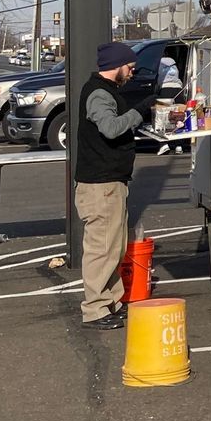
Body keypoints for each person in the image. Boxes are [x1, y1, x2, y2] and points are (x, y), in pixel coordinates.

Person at [75, 42, 146, 330]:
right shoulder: (98, 94)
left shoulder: (106, 92)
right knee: (102, 249)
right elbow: (111, 128)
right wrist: (140, 112)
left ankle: (110, 303)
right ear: (117, 65)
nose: (131, 73)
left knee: (114, 248)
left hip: (109, 182)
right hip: (100, 185)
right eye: (129, 67)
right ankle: (95, 310)